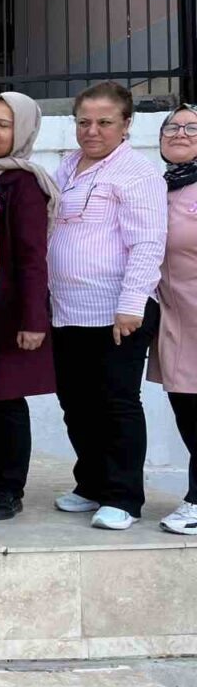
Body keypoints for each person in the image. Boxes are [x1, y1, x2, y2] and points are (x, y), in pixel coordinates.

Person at [49, 81, 167, 531]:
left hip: (119, 310)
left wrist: (131, 303)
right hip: (67, 309)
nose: (92, 131)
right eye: (84, 122)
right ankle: (92, 483)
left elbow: (147, 243)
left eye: (104, 122)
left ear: (126, 124)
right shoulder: (66, 166)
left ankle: (123, 497)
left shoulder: (137, 173)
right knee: (75, 401)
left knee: (117, 402)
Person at [0, 93, 59, 521]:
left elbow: (33, 257)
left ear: (22, 132)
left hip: (7, 310)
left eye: (4, 125)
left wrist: (34, 319)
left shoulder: (24, 183)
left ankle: (8, 487)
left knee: (4, 399)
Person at [152, 104, 197, 534]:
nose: (180, 133)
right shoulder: (161, 187)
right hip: (174, 319)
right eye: (172, 126)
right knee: (184, 406)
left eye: (192, 128)